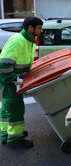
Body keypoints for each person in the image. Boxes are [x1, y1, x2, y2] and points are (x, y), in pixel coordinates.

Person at [0, 16, 43, 149]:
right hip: (10, 82)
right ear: (30, 28)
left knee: (7, 107)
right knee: (15, 109)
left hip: (13, 81)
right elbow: (3, 63)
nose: (41, 31)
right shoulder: (19, 40)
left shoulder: (28, 40)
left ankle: (5, 134)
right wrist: (13, 79)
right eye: (39, 28)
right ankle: (14, 139)